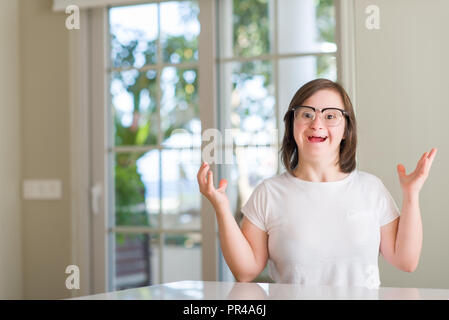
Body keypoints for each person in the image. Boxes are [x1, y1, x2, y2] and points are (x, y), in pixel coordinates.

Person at [196, 78, 437, 288]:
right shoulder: (269, 193)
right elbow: (245, 271)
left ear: (346, 129)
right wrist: (220, 207)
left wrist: (411, 195)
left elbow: (406, 261)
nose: (317, 124)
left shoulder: (371, 189)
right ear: (292, 125)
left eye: (330, 115)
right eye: (307, 114)